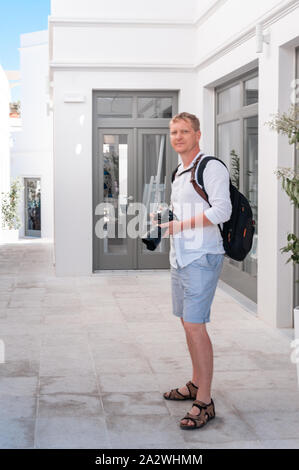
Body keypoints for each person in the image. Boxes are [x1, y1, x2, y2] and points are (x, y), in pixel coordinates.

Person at [160, 112, 232, 430]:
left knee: (196, 327)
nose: (178, 136)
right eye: (174, 131)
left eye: (184, 131)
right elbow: (184, 210)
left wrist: (180, 224)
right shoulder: (180, 171)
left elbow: (222, 209)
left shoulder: (210, 167)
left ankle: (204, 400)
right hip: (181, 257)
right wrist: (164, 220)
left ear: (198, 134)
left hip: (203, 257)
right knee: (188, 326)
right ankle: (194, 382)